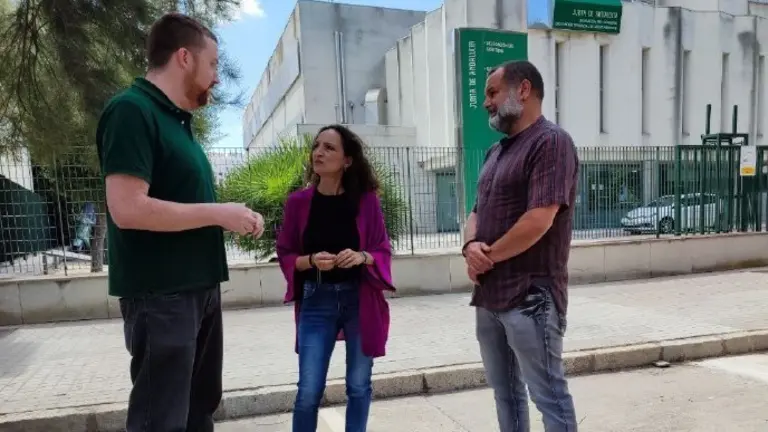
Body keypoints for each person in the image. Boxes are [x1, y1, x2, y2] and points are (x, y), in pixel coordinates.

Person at [96, 13, 265, 432]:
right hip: (162, 296)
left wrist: (232, 213)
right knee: (162, 420)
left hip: (197, 290)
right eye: (213, 65)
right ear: (185, 58)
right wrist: (218, 213)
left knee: (197, 412)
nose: (217, 78)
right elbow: (127, 208)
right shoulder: (131, 111)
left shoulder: (175, 121)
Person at [462, 60, 579, 432]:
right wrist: (470, 247)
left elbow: (539, 218)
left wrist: (487, 257)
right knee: (506, 395)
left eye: (493, 92)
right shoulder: (494, 153)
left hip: (531, 295)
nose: (486, 103)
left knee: (549, 397)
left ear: (523, 90)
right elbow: (476, 211)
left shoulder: (551, 142)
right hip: (490, 296)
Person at [276, 125, 395, 432]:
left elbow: (382, 250)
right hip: (316, 299)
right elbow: (285, 252)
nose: (319, 152)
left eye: (329, 148)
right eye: (316, 146)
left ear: (347, 160)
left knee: (359, 385)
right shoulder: (298, 203)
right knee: (308, 391)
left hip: (360, 299)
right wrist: (311, 260)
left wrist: (361, 256)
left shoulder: (367, 202)